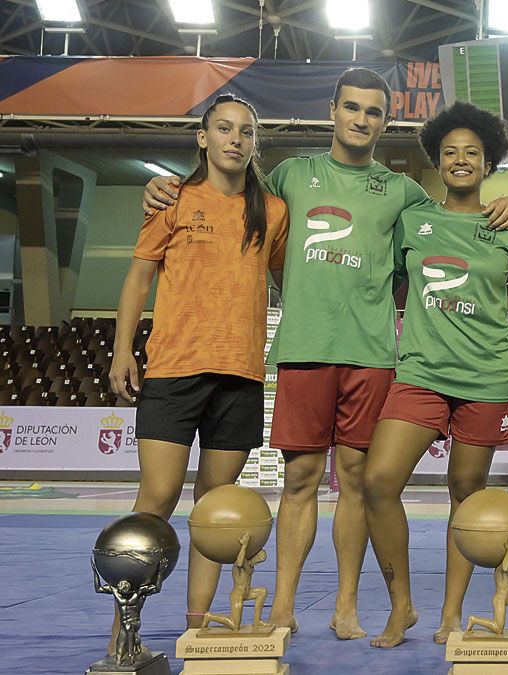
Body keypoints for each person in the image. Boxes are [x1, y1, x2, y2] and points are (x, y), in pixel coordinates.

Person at [142, 69, 508, 639]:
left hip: (372, 355)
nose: (361, 119)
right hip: (304, 348)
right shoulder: (292, 175)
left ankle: (345, 604)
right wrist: (165, 188)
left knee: (356, 478)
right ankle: (284, 607)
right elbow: (229, 191)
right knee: (298, 478)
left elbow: (456, 216)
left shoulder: (403, 193)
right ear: (333, 111)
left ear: (384, 122)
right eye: (352, 108)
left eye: (373, 112)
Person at [360, 101, 508, 648]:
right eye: (450, 153)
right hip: (420, 373)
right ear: (437, 163)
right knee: (378, 482)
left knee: (467, 492)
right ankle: (402, 608)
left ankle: (450, 613)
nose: (461, 160)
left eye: (473, 152)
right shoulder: (413, 220)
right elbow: (375, 285)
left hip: (487, 377)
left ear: (489, 164)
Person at [112, 95, 288, 638]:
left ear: (256, 143)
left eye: (247, 132)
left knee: (215, 512)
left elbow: (289, 277)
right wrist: (123, 350)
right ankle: (123, 632)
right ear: (203, 137)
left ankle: (200, 629)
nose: (236, 139)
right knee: (158, 498)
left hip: (240, 375)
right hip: (173, 371)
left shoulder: (274, 211)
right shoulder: (172, 200)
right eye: (224, 128)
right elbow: (139, 279)